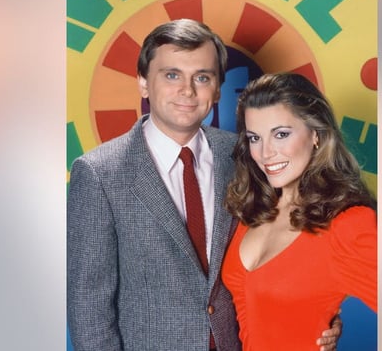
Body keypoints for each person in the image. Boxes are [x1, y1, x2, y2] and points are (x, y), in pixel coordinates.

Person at [67, 20, 341, 351]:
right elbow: (88, 307)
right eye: (171, 75)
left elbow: (278, 250)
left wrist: (314, 311)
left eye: (202, 77)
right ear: (143, 83)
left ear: (218, 89)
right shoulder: (99, 174)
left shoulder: (243, 154)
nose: (187, 90)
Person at [222, 73, 378, 350]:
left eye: (281, 134)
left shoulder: (347, 223)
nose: (266, 152)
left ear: (316, 135)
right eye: (254, 138)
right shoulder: (252, 210)